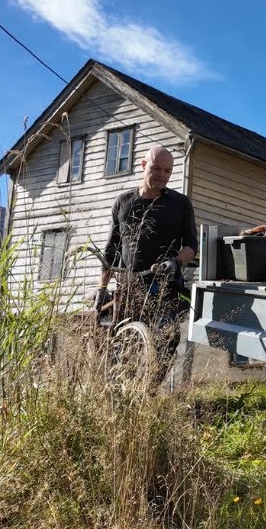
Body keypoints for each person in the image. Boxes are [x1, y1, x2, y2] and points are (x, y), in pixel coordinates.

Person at [97, 144, 198, 385]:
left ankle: (149, 391)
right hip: (129, 287)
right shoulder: (123, 202)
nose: (162, 175)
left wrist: (175, 262)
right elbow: (111, 250)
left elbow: (191, 246)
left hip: (164, 287)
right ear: (143, 165)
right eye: (156, 168)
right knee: (123, 343)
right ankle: (122, 391)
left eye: (167, 171)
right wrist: (101, 289)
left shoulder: (180, 203)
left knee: (166, 340)